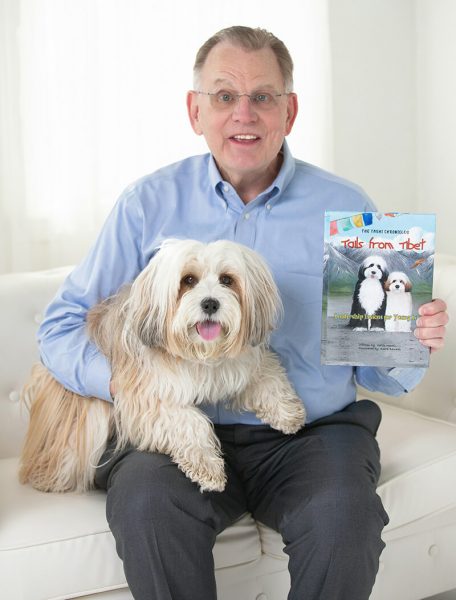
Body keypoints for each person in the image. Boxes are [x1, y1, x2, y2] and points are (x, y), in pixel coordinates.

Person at [38, 26, 449, 600]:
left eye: (263, 96)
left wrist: (411, 341)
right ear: (195, 110)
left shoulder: (347, 208)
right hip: (175, 434)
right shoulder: (145, 205)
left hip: (311, 436)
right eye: (225, 95)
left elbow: (379, 371)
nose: (244, 114)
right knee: (146, 506)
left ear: (290, 110)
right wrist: (129, 385)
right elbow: (59, 327)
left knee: (345, 520)